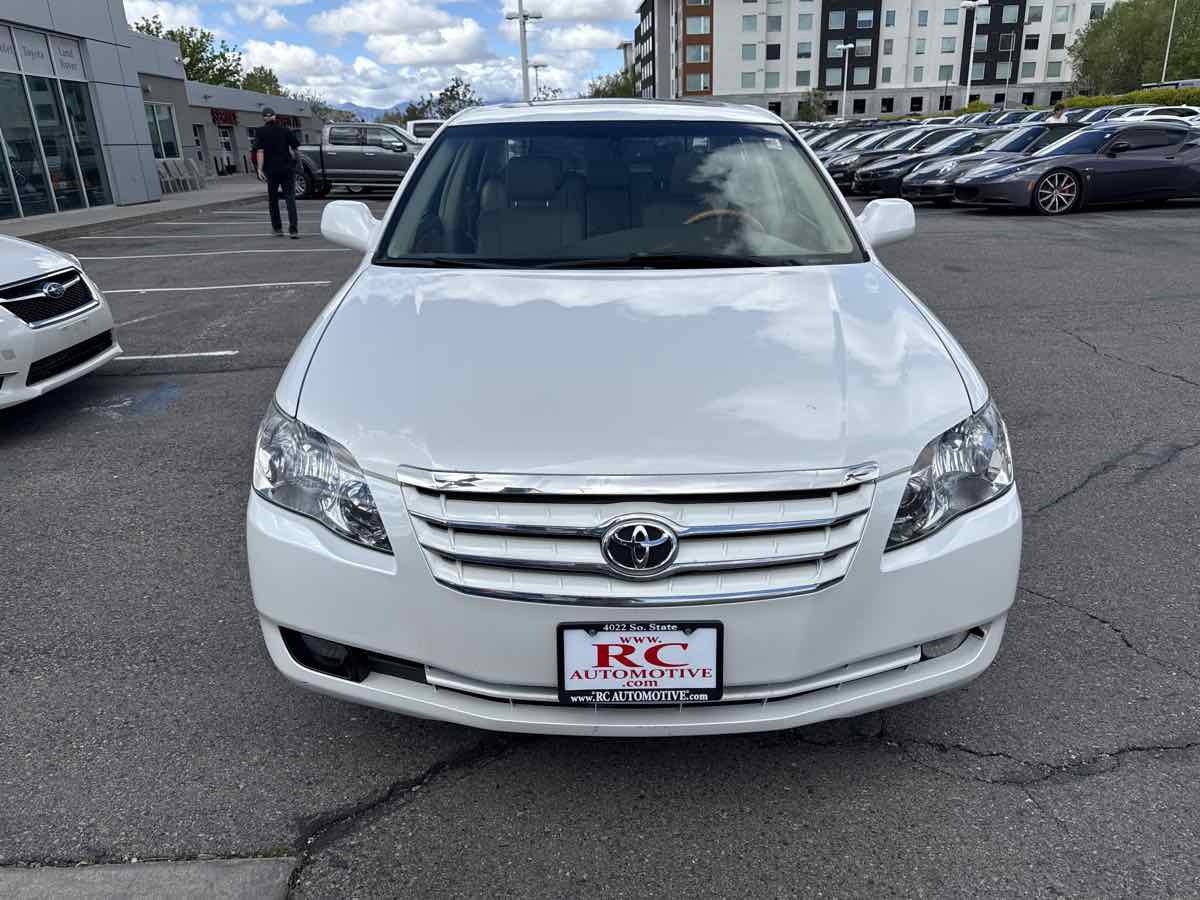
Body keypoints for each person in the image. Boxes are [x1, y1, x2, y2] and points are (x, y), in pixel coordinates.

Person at [251, 108, 300, 238]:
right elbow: (295, 148)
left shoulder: (260, 132)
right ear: (275, 116)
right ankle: (293, 230)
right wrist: (296, 162)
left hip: (271, 170)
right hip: (286, 168)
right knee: (290, 198)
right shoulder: (285, 130)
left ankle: (277, 228)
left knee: (273, 199)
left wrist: (259, 169)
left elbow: (260, 151)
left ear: (264, 118)